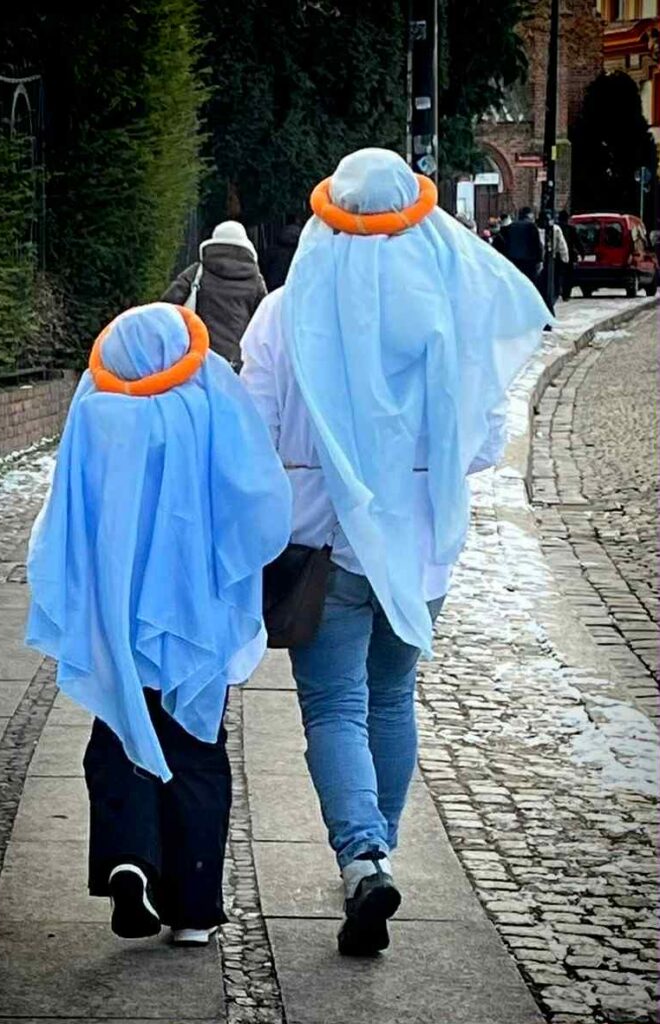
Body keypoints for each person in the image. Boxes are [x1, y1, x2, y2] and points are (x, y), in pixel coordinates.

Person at [240, 148, 551, 958]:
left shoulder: (283, 313)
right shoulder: (448, 310)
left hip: (323, 551)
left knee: (334, 708)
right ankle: (380, 852)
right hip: (418, 552)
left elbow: (253, 435)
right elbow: (484, 445)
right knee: (391, 699)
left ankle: (362, 858)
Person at [25, 303, 291, 946]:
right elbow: (255, 496)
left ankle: (129, 859)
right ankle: (193, 910)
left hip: (116, 608)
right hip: (195, 605)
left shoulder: (95, 413)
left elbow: (67, 510)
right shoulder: (205, 408)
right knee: (196, 746)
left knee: (120, 728)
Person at [162, 221, 267, 371]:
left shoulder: (198, 271)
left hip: (199, 353)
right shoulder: (255, 279)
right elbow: (264, 319)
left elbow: (167, 305)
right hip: (237, 357)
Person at [502, 206, 543, 285]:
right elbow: (537, 244)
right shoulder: (531, 226)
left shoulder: (511, 226)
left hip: (514, 259)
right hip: (529, 261)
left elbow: (507, 243)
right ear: (529, 215)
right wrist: (540, 259)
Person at [260, 221, 302, 290]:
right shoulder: (298, 253)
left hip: (272, 285)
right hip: (289, 286)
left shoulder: (272, 250)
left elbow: (263, 266)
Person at [558, 210, 582, 301]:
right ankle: (566, 294)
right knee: (568, 276)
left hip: (557, 256)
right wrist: (582, 252)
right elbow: (577, 242)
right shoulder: (571, 229)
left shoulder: (556, 228)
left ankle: (559, 291)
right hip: (569, 256)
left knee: (559, 275)